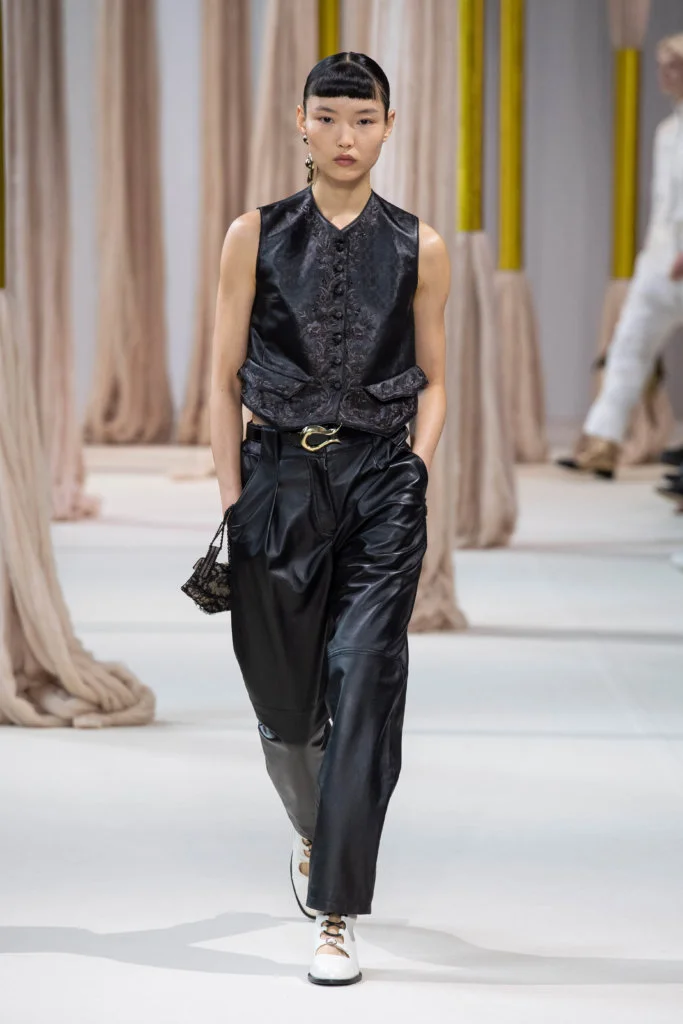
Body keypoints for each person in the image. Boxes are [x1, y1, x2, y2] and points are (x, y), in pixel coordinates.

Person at [209, 52, 448, 986]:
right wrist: (235, 503)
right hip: (277, 480)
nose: (347, 137)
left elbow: (436, 379)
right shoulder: (254, 235)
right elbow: (220, 378)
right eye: (329, 117)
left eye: (364, 119)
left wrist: (413, 473)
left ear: (389, 126)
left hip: (382, 482)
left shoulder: (420, 245)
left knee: (365, 677)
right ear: (301, 123)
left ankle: (335, 910)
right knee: (283, 707)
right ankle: (314, 829)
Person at [557, 33, 683, 479]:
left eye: (674, 65)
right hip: (660, 259)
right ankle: (601, 443)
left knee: (632, 345)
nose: (665, 74)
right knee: (628, 345)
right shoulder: (667, 130)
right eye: (664, 65)